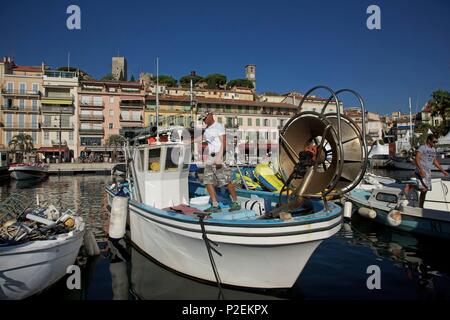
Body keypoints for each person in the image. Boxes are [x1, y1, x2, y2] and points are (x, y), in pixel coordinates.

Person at [199, 111, 241, 213]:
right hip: (210, 157)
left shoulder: (218, 127)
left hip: (219, 155)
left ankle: (236, 203)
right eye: (202, 119)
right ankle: (215, 205)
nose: (204, 120)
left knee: (226, 181)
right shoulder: (207, 129)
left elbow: (224, 142)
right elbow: (202, 138)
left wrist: (219, 157)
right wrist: (188, 140)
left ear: (210, 115)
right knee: (207, 181)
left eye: (205, 118)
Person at [414, 134, 448, 208]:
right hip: (421, 171)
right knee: (423, 189)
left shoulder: (433, 150)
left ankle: (421, 207)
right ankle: (411, 185)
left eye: (436, 142)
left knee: (425, 190)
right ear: (429, 140)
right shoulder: (422, 148)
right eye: (434, 141)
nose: (435, 143)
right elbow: (416, 159)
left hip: (428, 172)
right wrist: (421, 169)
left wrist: (443, 171)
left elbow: (434, 161)